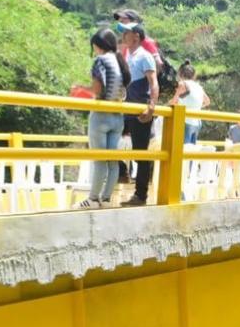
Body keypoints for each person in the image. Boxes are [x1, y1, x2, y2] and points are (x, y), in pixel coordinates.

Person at [73, 28, 131, 209]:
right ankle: (105, 200)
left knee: (99, 159)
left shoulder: (100, 61)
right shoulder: (119, 60)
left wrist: (81, 88)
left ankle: (92, 199)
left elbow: (98, 90)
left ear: (98, 46)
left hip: (101, 116)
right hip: (117, 116)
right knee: (112, 161)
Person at [118, 23, 159, 207]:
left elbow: (153, 83)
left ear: (136, 36)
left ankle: (140, 195)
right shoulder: (128, 55)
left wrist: (151, 106)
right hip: (127, 109)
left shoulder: (145, 56)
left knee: (141, 153)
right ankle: (121, 175)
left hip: (140, 110)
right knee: (115, 143)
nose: (123, 35)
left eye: (126, 32)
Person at [168, 60, 210, 144]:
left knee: (181, 148)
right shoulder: (198, 86)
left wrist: (168, 103)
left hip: (185, 121)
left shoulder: (182, 84)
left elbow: (173, 102)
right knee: (191, 150)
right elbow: (207, 101)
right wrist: (196, 107)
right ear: (193, 75)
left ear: (180, 74)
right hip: (197, 122)